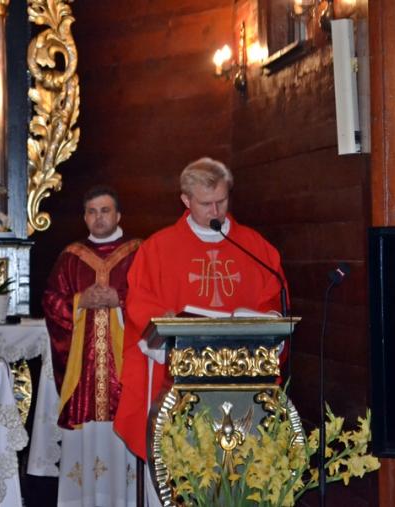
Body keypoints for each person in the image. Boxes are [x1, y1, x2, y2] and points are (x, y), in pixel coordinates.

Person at [113, 157, 288, 501]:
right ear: (185, 200)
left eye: (222, 200)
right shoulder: (157, 249)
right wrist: (163, 322)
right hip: (175, 380)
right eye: (206, 203)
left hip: (242, 382)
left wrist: (268, 316)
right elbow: (139, 303)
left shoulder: (254, 247)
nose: (216, 211)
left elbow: (273, 296)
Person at [43, 186, 141, 507]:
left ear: (118, 215)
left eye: (105, 211)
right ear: (85, 217)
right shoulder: (71, 257)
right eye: (92, 212)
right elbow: (51, 300)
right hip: (84, 380)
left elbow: (153, 301)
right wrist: (79, 302)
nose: (99, 218)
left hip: (124, 377)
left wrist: (121, 300)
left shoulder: (138, 253)